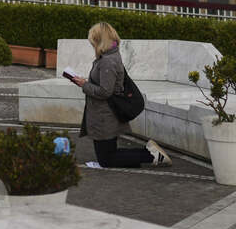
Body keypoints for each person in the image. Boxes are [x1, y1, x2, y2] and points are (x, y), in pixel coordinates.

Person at [70, 22, 172, 169]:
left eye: (93, 41)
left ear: (99, 40)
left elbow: (105, 91)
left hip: (104, 116)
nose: (92, 45)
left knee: (107, 160)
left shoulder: (107, 62)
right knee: (108, 155)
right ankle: (149, 153)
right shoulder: (110, 55)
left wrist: (83, 84)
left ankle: (151, 155)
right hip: (103, 114)